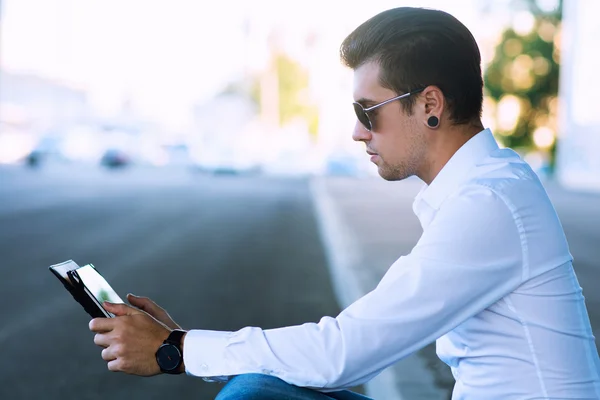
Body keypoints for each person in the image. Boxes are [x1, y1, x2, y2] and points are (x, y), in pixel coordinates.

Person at [89, 7, 600, 399]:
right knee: (261, 387)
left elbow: (346, 353)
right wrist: (182, 343)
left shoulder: (489, 203)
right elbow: (350, 349)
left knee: (256, 394)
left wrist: (174, 351)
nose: (357, 132)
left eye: (367, 110)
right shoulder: (488, 188)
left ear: (429, 105)